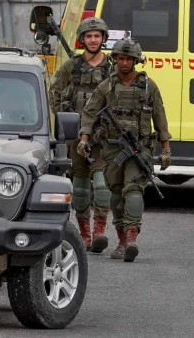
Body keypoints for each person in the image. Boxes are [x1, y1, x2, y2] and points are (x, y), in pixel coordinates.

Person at [79, 38, 171, 262]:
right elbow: (90, 113)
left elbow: (160, 117)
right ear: (115, 59)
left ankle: (132, 238)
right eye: (121, 58)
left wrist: (166, 148)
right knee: (116, 194)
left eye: (129, 58)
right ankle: (121, 240)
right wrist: (84, 139)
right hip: (112, 150)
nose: (124, 63)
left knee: (133, 190)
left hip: (140, 148)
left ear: (136, 60)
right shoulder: (107, 86)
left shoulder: (149, 86)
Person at [49, 17, 115, 253]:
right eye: (89, 36)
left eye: (97, 36)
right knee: (79, 186)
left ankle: (99, 232)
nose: (93, 40)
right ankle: (84, 234)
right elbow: (54, 92)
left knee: (102, 184)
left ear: (103, 38)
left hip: (103, 137)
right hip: (76, 136)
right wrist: (64, 121)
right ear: (82, 39)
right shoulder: (71, 66)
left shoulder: (112, 68)